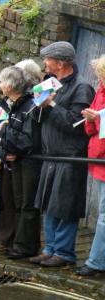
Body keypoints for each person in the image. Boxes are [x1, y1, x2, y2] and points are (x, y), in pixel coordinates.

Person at [30, 41, 95, 267]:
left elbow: (74, 124)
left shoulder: (81, 88)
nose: (45, 63)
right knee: (49, 203)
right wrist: (37, 107)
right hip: (51, 155)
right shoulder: (50, 83)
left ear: (60, 63)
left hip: (70, 156)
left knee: (65, 205)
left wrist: (50, 105)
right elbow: (41, 119)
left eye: (48, 59)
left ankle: (65, 253)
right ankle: (50, 248)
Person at [0, 66, 42, 259]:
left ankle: (25, 246)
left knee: (27, 204)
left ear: (9, 85)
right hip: (14, 161)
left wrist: (7, 132)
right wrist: (5, 152)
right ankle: (15, 242)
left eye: (1, 81)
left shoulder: (29, 106)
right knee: (15, 202)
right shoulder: (10, 105)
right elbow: (0, 135)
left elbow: (27, 140)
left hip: (28, 162)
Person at [76, 55, 105, 276]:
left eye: (101, 76)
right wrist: (92, 119)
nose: (99, 80)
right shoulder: (100, 92)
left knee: (104, 214)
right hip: (98, 158)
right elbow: (90, 130)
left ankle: (96, 262)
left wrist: (98, 120)